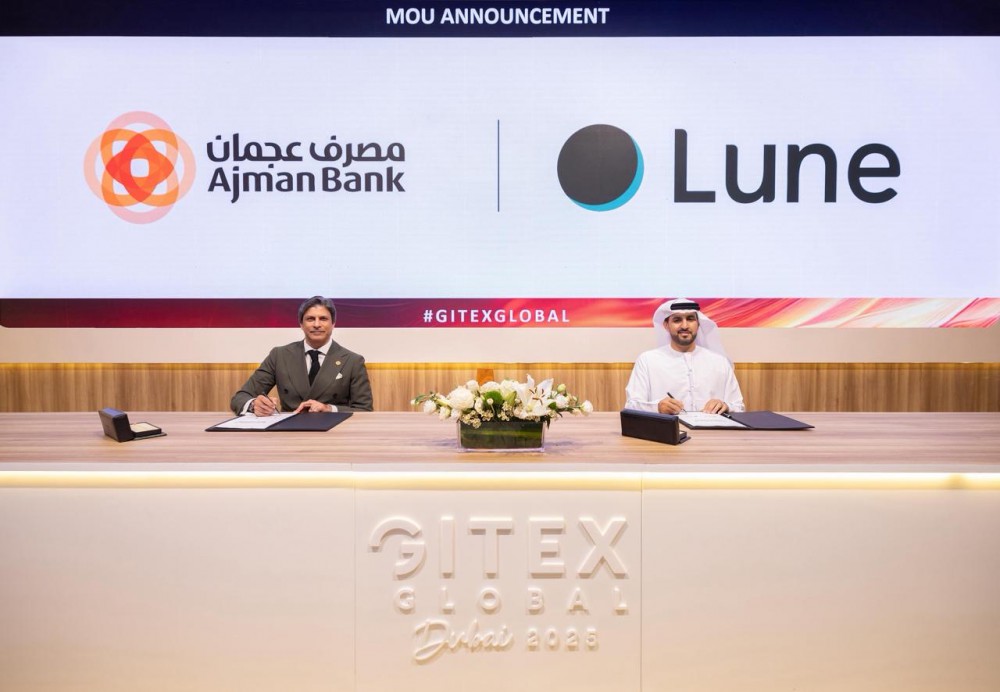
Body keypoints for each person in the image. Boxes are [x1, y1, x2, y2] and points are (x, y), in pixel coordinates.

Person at [230, 296, 373, 415]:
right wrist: (254, 405)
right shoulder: (279, 356)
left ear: (333, 323)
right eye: (310, 319)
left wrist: (329, 409)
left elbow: (364, 410)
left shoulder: (353, 361)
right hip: (289, 432)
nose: (317, 324)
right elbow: (240, 398)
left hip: (334, 432)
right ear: (301, 324)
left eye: (323, 319)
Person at [625, 298, 744, 415]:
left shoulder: (720, 362)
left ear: (698, 324)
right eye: (677, 320)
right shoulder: (647, 360)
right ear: (666, 325)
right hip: (667, 427)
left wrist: (725, 406)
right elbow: (631, 405)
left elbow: (739, 406)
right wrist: (657, 407)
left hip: (712, 428)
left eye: (690, 319)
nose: (685, 326)